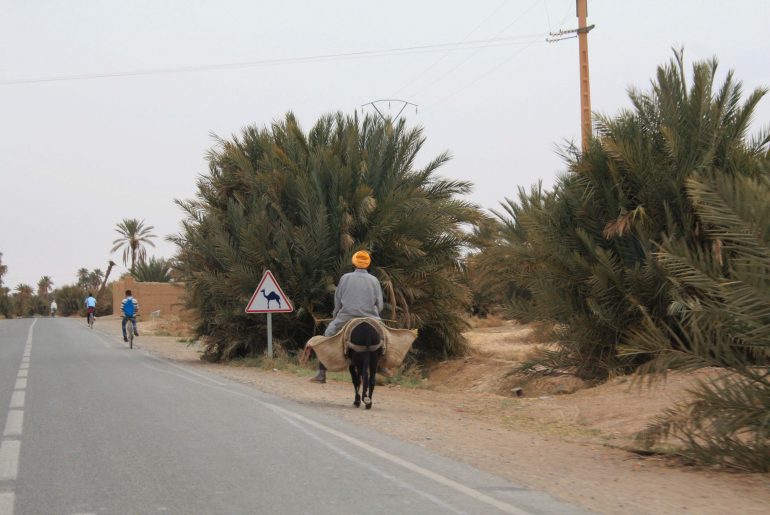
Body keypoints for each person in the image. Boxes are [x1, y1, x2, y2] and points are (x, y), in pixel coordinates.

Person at [310, 250, 384, 384]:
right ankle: (383, 364)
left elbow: (337, 300)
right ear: (368, 264)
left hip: (346, 316)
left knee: (327, 336)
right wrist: (374, 314)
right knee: (384, 337)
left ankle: (321, 373)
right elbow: (380, 304)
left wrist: (335, 315)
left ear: (354, 263)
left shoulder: (345, 278)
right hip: (371, 318)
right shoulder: (374, 280)